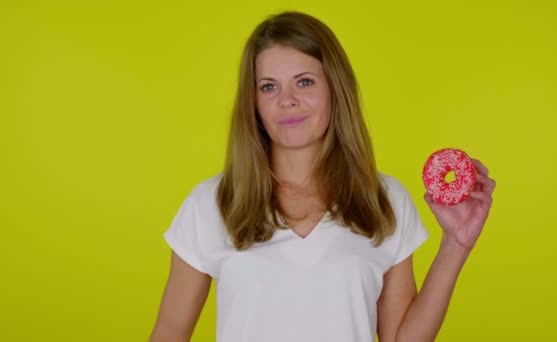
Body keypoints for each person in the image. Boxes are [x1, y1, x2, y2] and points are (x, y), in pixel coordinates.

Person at [150, 10, 496, 342]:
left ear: (335, 89)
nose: (287, 100)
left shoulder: (384, 200)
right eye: (268, 87)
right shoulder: (212, 203)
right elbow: (169, 335)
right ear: (253, 102)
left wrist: (456, 244)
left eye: (304, 82)